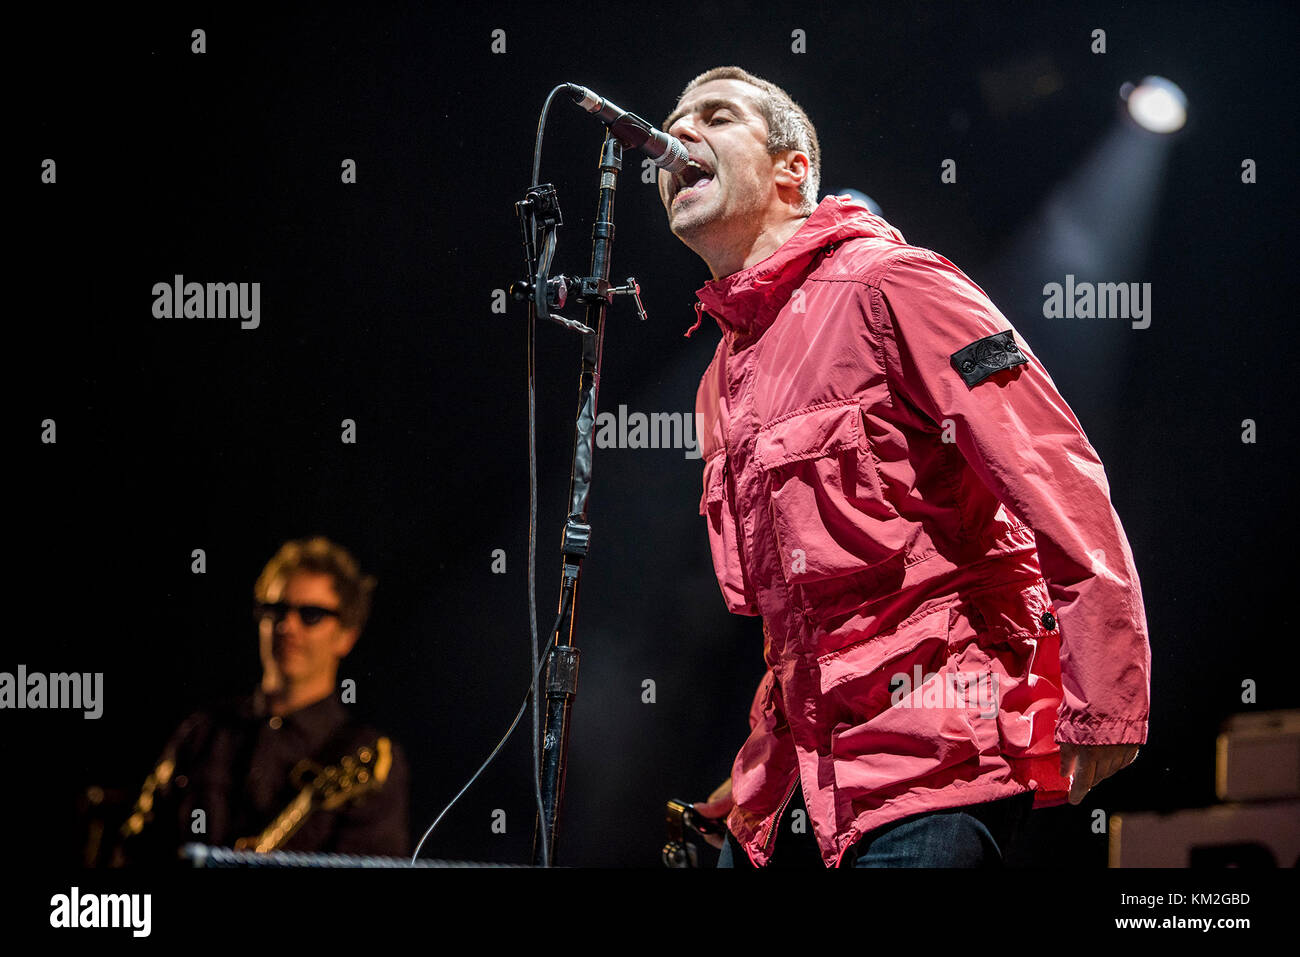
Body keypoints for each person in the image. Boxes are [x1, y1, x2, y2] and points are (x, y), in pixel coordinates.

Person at [659, 67, 1150, 868]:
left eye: (714, 116)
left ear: (792, 170)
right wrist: (758, 773)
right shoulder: (723, 377)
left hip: (938, 763)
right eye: (672, 121)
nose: (677, 136)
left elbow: (1051, 466)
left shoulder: (895, 284)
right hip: (810, 792)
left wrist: (1110, 688)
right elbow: (805, 622)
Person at [114, 537, 410, 864]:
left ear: (346, 635)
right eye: (275, 610)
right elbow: (136, 848)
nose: (287, 626)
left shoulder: (367, 755)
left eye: (310, 614)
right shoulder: (203, 732)